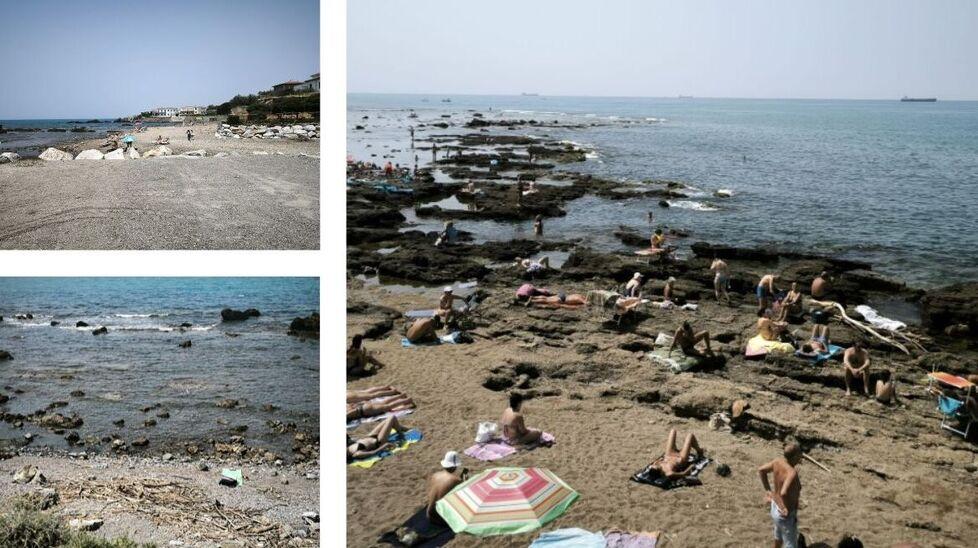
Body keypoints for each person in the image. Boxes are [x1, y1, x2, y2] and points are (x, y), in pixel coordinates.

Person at [758, 443, 803, 548]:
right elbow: (784, 492)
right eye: (800, 453)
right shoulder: (791, 473)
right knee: (791, 545)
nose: (802, 455)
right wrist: (784, 508)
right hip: (785, 515)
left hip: (775, 508)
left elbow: (761, 470)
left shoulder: (777, 462)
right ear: (795, 456)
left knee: (778, 538)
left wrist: (768, 490)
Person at [426, 452, 468, 523]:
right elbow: (463, 494)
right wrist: (465, 482)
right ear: (454, 466)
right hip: (441, 520)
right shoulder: (455, 480)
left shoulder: (435, 475)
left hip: (429, 514)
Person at [347, 396, 415, 422]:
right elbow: (351, 405)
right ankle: (401, 396)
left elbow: (354, 411)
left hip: (364, 410)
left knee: (388, 406)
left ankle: (407, 400)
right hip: (362, 406)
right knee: (385, 402)